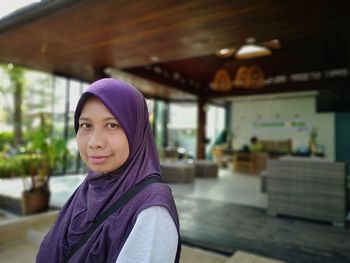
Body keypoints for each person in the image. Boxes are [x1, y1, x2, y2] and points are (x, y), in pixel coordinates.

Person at [37, 78, 180, 263]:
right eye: (86, 125)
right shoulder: (91, 186)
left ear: (135, 131)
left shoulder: (152, 210)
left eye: (112, 125)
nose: (95, 142)